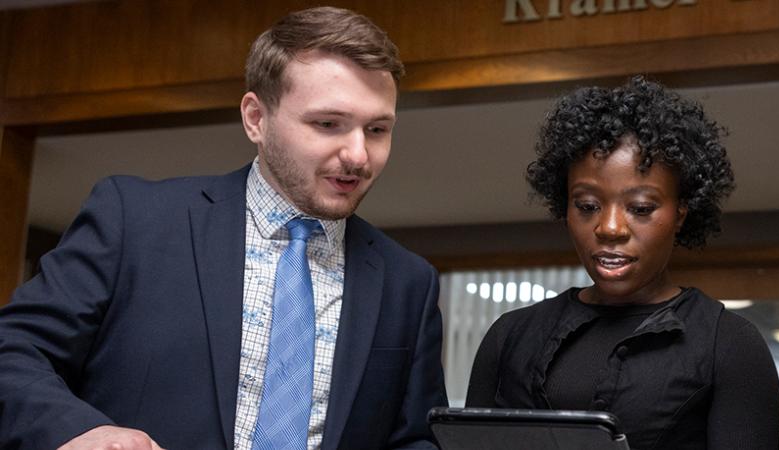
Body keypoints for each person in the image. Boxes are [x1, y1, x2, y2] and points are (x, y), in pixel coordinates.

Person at [0, 7, 447, 449]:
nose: (358, 155)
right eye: (328, 124)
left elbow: (415, 439)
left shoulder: (408, 283)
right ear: (256, 117)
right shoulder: (134, 221)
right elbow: (14, 351)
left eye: (377, 129)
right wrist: (81, 431)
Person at [464, 76, 779, 450]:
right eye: (587, 206)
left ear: (680, 213)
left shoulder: (728, 344)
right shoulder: (509, 336)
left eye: (641, 208)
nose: (609, 228)